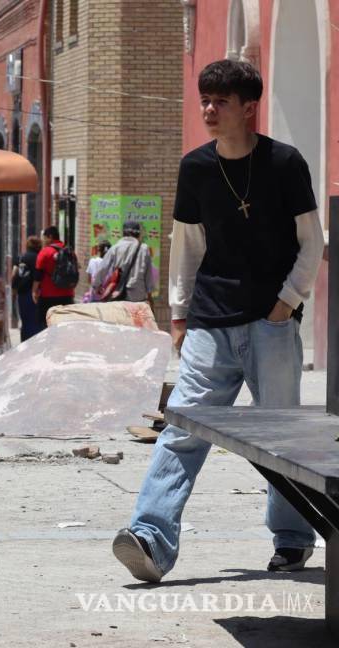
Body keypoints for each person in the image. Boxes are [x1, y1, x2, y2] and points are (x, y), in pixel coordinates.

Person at [113, 60, 324, 582]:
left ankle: (292, 538)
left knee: (281, 440)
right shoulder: (196, 167)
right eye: (205, 100)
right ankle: (150, 539)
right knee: (184, 427)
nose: (208, 109)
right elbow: (187, 244)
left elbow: (311, 242)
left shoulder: (285, 163)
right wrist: (180, 313)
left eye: (221, 101)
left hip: (271, 323)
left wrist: (285, 303)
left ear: (248, 108)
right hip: (210, 320)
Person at [94, 222, 155, 303]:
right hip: (137, 294)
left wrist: (97, 285)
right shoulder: (144, 249)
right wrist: (149, 295)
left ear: (123, 233)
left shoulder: (115, 248)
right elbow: (148, 275)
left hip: (118, 292)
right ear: (138, 234)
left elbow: (103, 267)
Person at [32, 225, 77, 331]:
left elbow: (38, 274)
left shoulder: (45, 252)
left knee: (45, 327)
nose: (43, 240)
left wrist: (34, 291)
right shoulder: (70, 252)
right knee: (65, 327)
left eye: (44, 238)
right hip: (67, 296)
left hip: (48, 297)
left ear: (50, 237)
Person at [10, 236, 42, 341]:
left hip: (22, 292)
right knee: (35, 320)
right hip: (36, 293)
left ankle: (24, 341)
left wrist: (13, 290)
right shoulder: (39, 257)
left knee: (25, 319)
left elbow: (14, 274)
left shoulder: (21, 257)